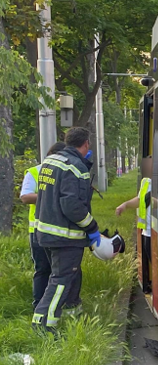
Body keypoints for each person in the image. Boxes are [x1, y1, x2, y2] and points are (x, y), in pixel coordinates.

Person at [33, 127, 99, 334]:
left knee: (63, 276)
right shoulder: (76, 167)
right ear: (86, 144)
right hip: (65, 236)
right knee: (60, 280)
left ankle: (72, 314)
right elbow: (72, 205)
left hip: (44, 232)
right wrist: (91, 227)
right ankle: (43, 324)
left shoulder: (50, 162)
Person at [20, 142, 67, 310]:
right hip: (38, 230)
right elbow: (25, 197)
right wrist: (48, 194)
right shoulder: (35, 172)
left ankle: (57, 306)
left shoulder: (66, 172)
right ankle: (39, 307)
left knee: (60, 271)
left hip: (60, 230)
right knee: (43, 269)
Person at [115, 157, 153, 293]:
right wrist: (124, 205)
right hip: (147, 231)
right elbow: (140, 200)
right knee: (153, 262)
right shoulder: (146, 181)